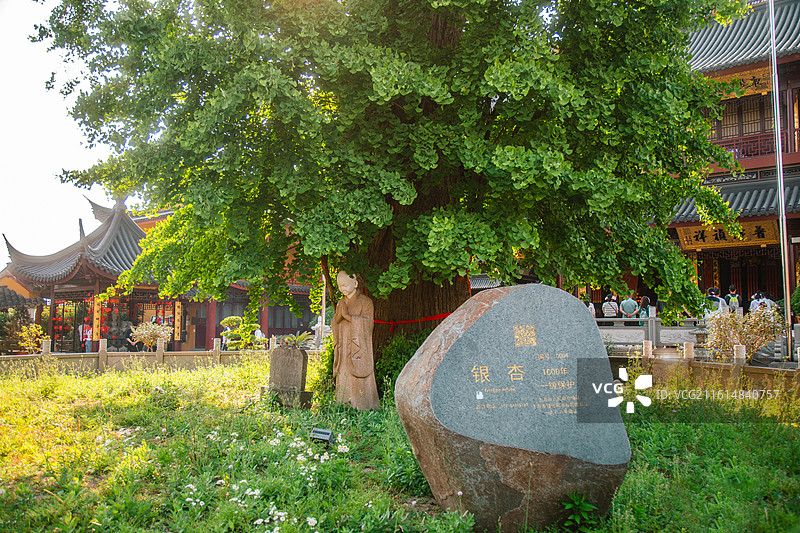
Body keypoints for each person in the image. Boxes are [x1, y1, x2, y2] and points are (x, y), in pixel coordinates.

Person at [332, 271, 379, 410]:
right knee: (343, 374)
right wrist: (338, 318)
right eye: (339, 286)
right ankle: (343, 405)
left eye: (345, 285)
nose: (342, 289)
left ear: (355, 283)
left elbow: (368, 323)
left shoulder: (366, 302)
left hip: (357, 347)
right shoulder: (341, 302)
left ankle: (363, 405)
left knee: (358, 375)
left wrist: (348, 317)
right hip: (343, 345)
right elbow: (335, 321)